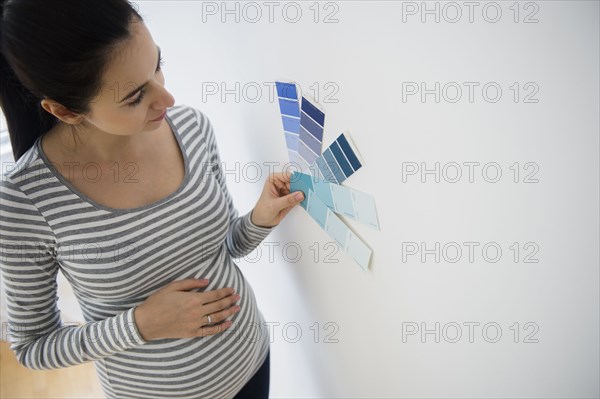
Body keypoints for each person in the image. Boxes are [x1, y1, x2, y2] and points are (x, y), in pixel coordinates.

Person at [0, 1, 304, 398]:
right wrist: (141, 323)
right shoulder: (25, 201)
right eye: (134, 96)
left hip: (250, 360)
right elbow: (34, 347)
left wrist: (259, 218)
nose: (168, 100)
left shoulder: (192, 128)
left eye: (157, 64)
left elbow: (224, 248)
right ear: (65, 110)